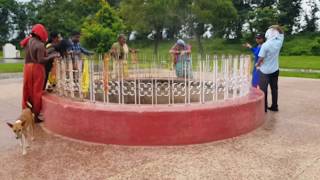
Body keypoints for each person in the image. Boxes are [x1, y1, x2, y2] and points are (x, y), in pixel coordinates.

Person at [20, 24, 59, 123]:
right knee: (37, 92)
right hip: (37, 69)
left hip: (27, 68)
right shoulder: (40, 45)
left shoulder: (28, 41)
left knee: (27, 90)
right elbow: (41, 60)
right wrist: (52, 55)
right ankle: (36, 115)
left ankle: (26, 111)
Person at [256, 25, 284, 112]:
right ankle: (274, 106)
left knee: (263, 89)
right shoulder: (279, 42)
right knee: (274, 88)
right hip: (275, 69)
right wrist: (276, 26)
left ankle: (264, 108)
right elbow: (282, 32)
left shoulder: (265, 45)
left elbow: (260, 58)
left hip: (265, 71)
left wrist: (257, 64)